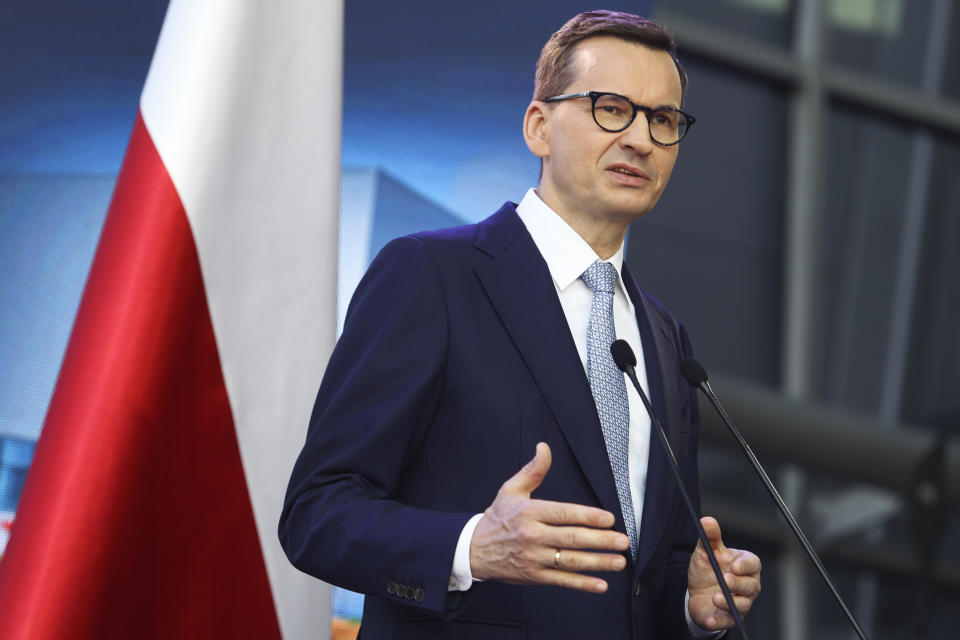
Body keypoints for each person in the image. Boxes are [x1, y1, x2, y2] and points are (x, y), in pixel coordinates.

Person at [280, 10, 761, 639]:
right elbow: (318, 512)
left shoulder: (666, 339)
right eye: (611, 107)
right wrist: (471, 546)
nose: (640, 139)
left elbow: (650, 568)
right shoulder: (432, 275)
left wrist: (693, 600)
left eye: (663, 120)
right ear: (539, 126)